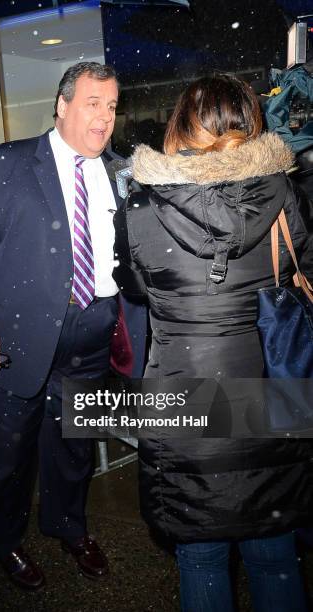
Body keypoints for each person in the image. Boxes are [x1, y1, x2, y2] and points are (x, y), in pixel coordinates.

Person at [113, 74, 313, 611]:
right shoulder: (283, 194)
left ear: (180, 125)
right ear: (251, 123)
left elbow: (133, 287)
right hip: (271, 396)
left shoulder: (139, 208)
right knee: (272, 554)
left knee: (199, 556)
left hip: (185, 396)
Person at [0, 62, 146, 591]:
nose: (105, 117)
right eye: (92, 103)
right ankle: (3, 536)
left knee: (72, 448)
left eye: (111, 105)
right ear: (61, 106)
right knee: (7, 453)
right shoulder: (5, 165)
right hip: (14, 337)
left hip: (92, 334)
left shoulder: (122, 172)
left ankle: (68, 526)